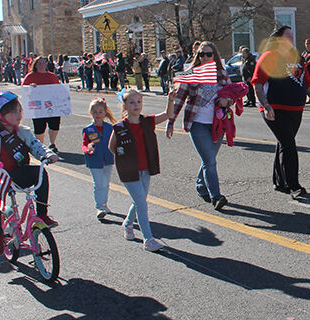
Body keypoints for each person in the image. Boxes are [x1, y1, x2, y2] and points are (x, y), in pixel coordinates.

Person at [0, 91, 60, 255]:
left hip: (16, 172)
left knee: (40, 173)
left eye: (19, 110)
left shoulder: (22, 131)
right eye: (13, 112)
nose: (19, 115)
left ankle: (42, 215)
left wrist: (47, 154)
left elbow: (36, 145)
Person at [251, 26, 310, 200]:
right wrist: (266, 106)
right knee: (289, 145)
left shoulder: (297, 58)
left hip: (296, 110)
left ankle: (279, 182)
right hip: (275, 110)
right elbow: (257, 83)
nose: (291, 39)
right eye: (288, 36)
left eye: (292, 36)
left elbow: (308, 83)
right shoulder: (269, 56)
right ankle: (293, 185)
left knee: (283, 144)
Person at [166, 41, 232, 210]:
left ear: (214, 56)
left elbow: (233, 94)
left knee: (208, 159)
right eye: (201, 54)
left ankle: (201, 186)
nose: (205, 57)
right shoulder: (191, 74)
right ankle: (216, 196)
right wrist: (171, 121)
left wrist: (228, 101)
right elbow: (179, 98)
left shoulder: (221, 74)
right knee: (209, 161)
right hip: (197, 124)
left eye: (208, 54)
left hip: (218, 124)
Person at [108, 89, 174, 252]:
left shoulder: (147, 121)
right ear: (124, 106)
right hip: (129, 172)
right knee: (142, 203)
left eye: (139, 102)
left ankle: (128, 224)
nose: (136, 105)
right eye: (131, 102)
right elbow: (112, 147)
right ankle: (148, 239)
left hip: (145, 169)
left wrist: (170, 100)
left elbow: (167, 115)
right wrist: (126, 159)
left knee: (139, 200)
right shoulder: (119, 127)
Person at [82, 98, 117, 219]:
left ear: (105, 113)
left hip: (108, 159)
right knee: (99, 183)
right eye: (95, 112)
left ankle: (104, 204)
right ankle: (99, 206)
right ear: (91, 113)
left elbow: (115, 142)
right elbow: (84, 144)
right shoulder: (87, 129)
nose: (98, 114)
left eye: (100, 112)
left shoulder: (110, 128)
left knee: (106, 183)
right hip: (94, 160)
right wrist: (88, 149)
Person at [22, 56, 62, 153]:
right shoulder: (30, 76)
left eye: (43, 63)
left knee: (54, 125)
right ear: (35, 65)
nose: (42, 65)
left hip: (52, 106)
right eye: (39, 63)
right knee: (39, 126)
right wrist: (30, 87)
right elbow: (24, 89)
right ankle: (40, 145)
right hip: (38, 107)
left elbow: (59, 89)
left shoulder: (51, 76)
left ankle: (52, 143)